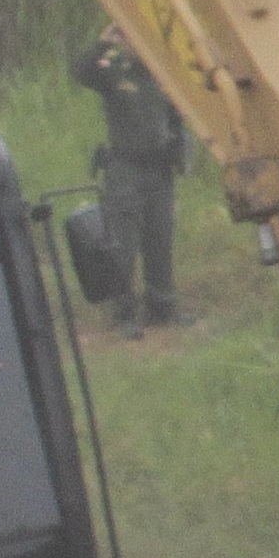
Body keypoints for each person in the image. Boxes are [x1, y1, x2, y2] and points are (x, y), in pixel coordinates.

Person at [73, 24, 189, 337]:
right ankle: (124, 313)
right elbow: (83, 74)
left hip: (159, 170)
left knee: (160, 237)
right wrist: (102, 45)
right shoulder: (114, 72)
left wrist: (181, 157)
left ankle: (162, 306)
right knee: (123, 242)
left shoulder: (165, 77)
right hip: (125, 168)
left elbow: (179, 120)